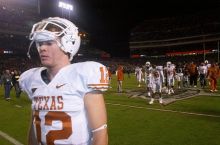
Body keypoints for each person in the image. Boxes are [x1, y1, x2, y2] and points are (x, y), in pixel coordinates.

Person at [19, 17, 109, 145]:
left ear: (68, 44)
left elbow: (100, 133)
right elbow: (34, 126)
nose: (42, 48)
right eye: (39, 43)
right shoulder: (32, 79)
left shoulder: (82, 75)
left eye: (49, 43)